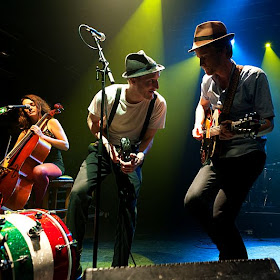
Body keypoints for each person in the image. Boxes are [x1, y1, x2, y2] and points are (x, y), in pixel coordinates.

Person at [66, 50, 167, 277]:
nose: (156, 87)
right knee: (79, 192)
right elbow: (93, 125)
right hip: (104, 148)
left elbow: (149, 137)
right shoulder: (108, 96)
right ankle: (73, 258)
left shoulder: (158, 104)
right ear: (132, 81)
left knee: (129, 203)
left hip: (132, 152)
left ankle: (118, 268)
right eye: (150, 82)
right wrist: (107, 145)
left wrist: (140, 156)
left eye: (156, 81)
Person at [184, 21, 274, 261]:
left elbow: (268, 123)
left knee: (221, 216)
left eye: (205, 56)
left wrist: (237, 131)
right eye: (198, 57)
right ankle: (233, 257)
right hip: (218, 155)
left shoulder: (254, 77)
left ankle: (236, 263)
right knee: (193, 201)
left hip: (247, 156)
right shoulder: (207, 81)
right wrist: (197, 124)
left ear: (226, 51)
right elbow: (202, 106)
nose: (201, 63)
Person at [15, 94, 69, 207]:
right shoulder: (26, 132)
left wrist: (42, 136)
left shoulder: (51, 122)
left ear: (39, 106)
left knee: (39, 171)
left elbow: (65, 145)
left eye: (32, 105)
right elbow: (15, 153)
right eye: (25, 107)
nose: (29, 108)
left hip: (54, 164)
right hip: (33, 167)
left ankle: (38, 206)